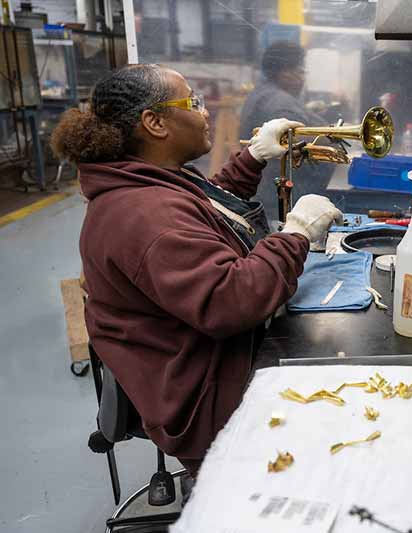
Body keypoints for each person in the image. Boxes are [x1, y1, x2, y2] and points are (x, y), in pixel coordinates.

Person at [51, 64, 342, 477]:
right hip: (207, 397)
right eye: (194, 102)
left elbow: (202, 213)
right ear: (154, 123)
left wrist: (252, 159)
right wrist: (296, 234)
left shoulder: (145, 182)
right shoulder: (145, 214)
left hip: (199, 362)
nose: (206, 112)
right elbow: (233, 300)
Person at [239, 41, 335, 221]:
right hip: (280, 201)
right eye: (300, 71)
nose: (302, 78)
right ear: (285, 73)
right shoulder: (280, 105)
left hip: (267, 193)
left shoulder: (263, 93)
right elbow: (304, 144)